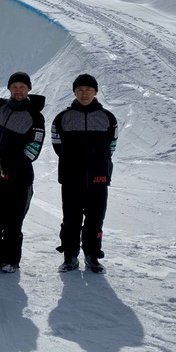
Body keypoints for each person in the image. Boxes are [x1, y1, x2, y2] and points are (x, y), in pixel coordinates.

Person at [51, 74, 118, 273]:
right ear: (74, 92)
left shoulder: (107, 117)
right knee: (71, 219)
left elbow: (111, 145)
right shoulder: (63, 117)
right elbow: (57, 144)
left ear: (95, 92)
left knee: (95, 219)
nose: (84, 93)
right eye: (80, 90)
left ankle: (92, 256)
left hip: (99, 179)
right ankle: (70, 256)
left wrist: (98, 164)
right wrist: (72, 162)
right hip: (71, 179)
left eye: (88, 90)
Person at [0, 71, 45, 273]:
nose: (18, 90)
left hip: (20, 179)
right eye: (14, 86)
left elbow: (33, 150)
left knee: (13, 223)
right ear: (9, 89)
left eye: (22, 87)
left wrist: (8, 165)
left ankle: (11, 259)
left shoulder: (35, 117)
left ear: (28, 89)